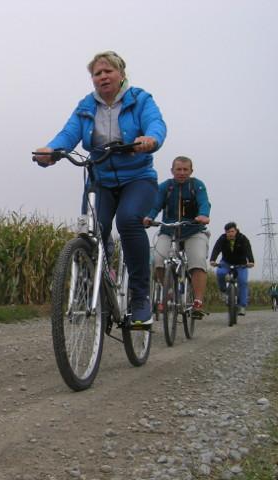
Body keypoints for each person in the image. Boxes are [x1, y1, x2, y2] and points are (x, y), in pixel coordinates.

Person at [33, 51, 166, 326]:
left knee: (128, 220)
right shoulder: (86, 106)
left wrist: (150, 138)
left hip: (137, 178)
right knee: (91, 232)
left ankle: (140, 297)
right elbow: (69, 133)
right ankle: (91, 288)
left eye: (108, 71)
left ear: (121, 74)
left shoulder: (140, 99)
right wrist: (51, 150)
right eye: (97, 73)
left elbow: (156, 123)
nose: (103, 77)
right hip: (100, 179)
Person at [143, 156, 211, 318]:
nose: (182, 172)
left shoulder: (197, 185)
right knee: (158, 260)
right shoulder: (165, 187)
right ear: (172, 170)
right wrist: (149, 217)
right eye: (178, 169)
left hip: (193, 230)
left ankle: (197, 302)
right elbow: (156, 205)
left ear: (191, 171)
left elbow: (204, 202)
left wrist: (203, 215)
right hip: (169, 230)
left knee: (198, 261)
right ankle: (169, 291)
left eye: (185, 169)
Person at [209, 222, 255, 315]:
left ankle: (242, 306)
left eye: (232, 231)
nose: (230, 233)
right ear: (225, 232)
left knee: (243, 282)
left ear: (236, 231)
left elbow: (248, 249)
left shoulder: (242, 238)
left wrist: (251, 261)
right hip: (226, 262)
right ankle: (223, 291)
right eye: (228, 232)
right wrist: (212, 260)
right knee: (220, 273)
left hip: (241, 264)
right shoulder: (222, 239)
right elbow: (216, 248)